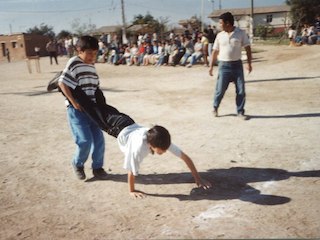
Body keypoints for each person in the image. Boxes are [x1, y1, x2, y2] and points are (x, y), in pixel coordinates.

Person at [55, 83, 212, 198]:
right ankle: (62, 85)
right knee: (90, 109)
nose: (163, 152)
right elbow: (130, 171)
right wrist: (132, 190)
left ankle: (91, 85)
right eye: (161, 151)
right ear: (152, 145)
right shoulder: (139, 148)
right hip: (115, 127)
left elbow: (185, 157)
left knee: (101, 104)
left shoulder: (160, 138)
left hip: (127, 121)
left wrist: (198, 179)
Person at [58, 35, 108, 180]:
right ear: (79, 50)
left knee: (99, 140)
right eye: (89, 53)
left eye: (95, 53)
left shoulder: (92, 66)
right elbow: (62, 83)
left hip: (91, 110)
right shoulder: (74, 62)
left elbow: (95, 86)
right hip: (77, 111)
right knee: (84, 141)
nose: (93, 56)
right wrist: (73, 102)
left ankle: (98, 168)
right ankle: (78, 163)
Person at [209, 12, 252, 120]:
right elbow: (215, 51)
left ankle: (240, 111)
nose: (219, 25)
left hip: (237, 65)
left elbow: (247, 48)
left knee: (241, 90)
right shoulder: (219, 35)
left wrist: (249, 63)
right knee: (220, 90)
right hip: (224, 66)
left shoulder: (241, 33)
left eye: (220, 23)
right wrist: (211, 66)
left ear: (227, 23)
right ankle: (215, 107)